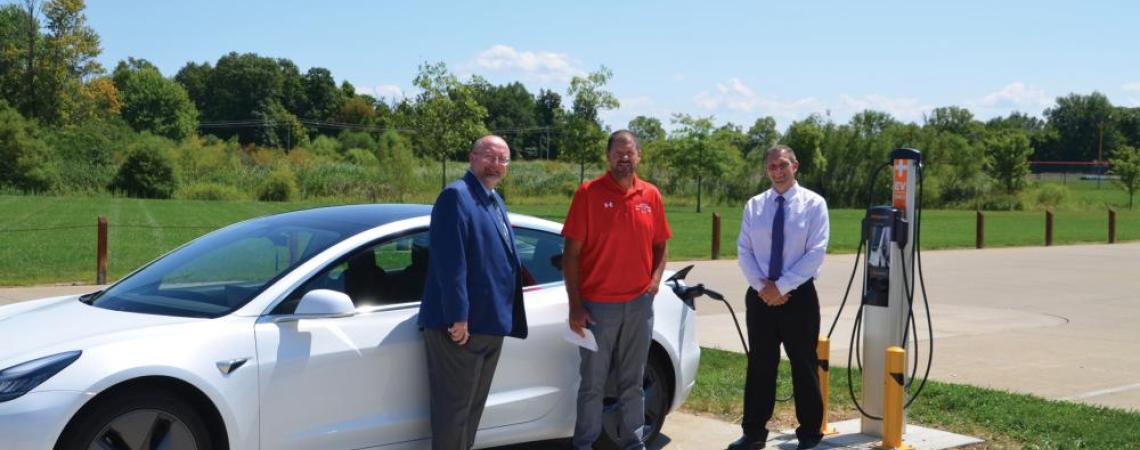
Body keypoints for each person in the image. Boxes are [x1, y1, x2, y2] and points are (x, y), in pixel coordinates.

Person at [562, 130, 672, 450]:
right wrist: (575, 305)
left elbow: (661, 245)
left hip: (639, 306)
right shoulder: (588, 194)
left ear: (638, 156)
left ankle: (633, 443)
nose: (624, 158)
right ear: (608, 156)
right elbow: (571, 254)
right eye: (618, 153)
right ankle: (584, 444)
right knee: (593, 385)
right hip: (597, 308)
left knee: (633, 383)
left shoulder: (651, 195)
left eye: (630, 152)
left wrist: (654, 280)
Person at [418, 135, 528, 450]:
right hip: (460, 329)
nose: (496, 165)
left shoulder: (493, 198)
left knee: (471, 412)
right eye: (489, 157)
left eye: (503, 159)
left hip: (491, 325)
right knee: (453, 414)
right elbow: (451, 263)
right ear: (472, 157)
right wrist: (458, 317)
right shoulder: (456, 196)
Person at [728, 144, 830, 450]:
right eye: (772, 166)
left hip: (798, 297)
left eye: (783, 165)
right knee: (760, 364)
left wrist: (782, 286)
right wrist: (763, 287)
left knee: (804, 364)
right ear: (766, 170)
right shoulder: (755, 205)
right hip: (760, 296)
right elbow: (744, 251)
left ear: (795, 166)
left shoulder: (814, 204)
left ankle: (810, 434)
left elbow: (816, 252)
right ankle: (754, 432)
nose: (778, 171)